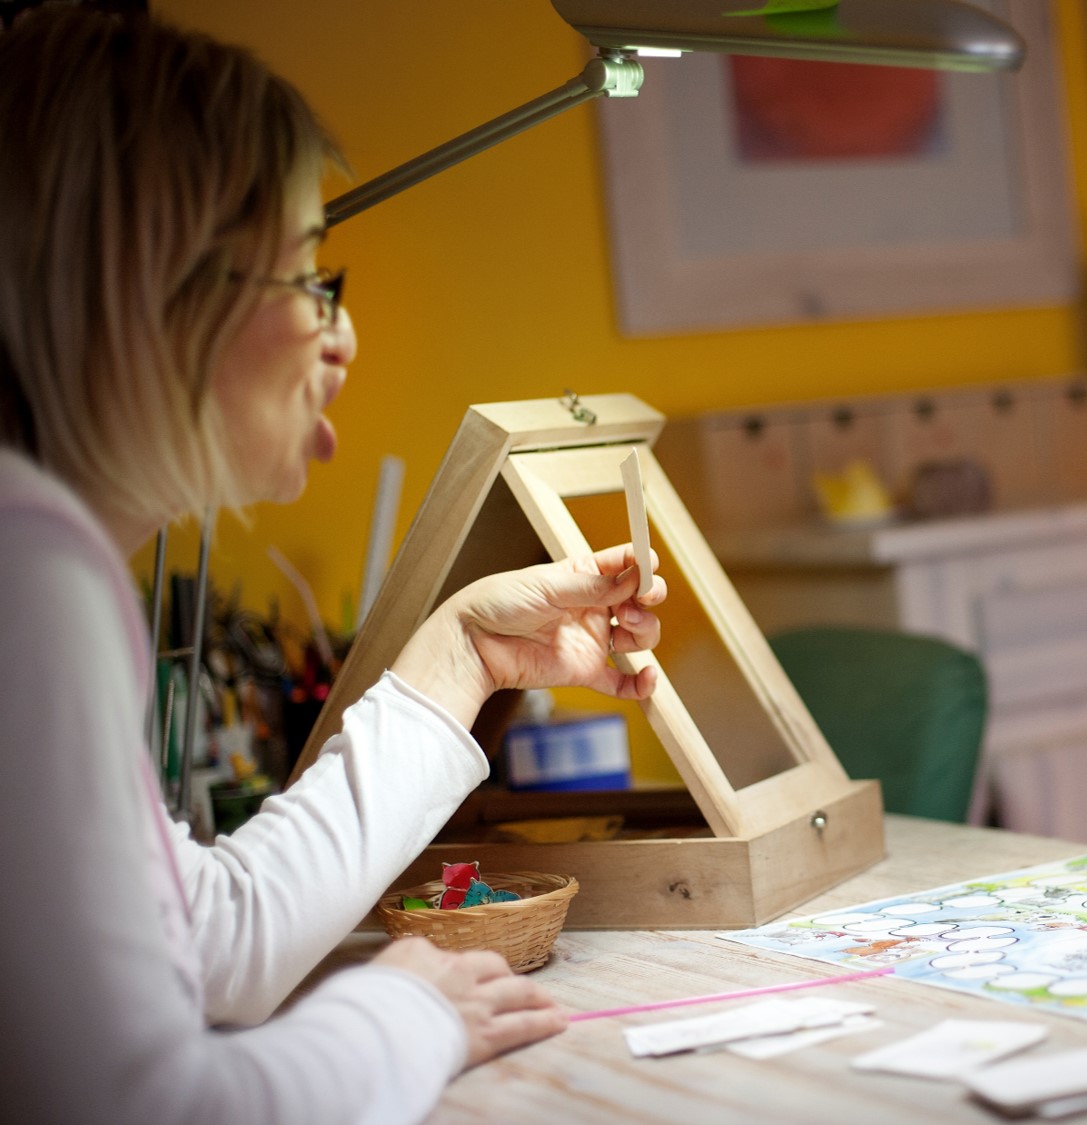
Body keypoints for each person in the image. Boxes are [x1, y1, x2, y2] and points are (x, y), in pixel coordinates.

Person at [0, 9, 666, 1121]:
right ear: (156, 292)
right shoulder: (30, 578)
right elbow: (147, 1107)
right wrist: (406, 1010)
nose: (341, 335)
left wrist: (463, 653)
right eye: (308, 278)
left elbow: (212, 935)